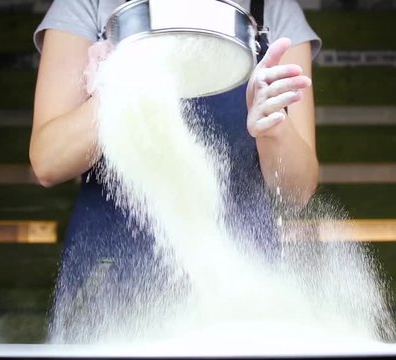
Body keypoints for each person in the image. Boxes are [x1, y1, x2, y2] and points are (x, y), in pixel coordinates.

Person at [30, 0, 322, 343]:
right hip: (111, 286)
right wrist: (116, 89)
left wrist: (274, 128)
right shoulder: (87, 6)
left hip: (241, 294)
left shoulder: (274, 11)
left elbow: (298, 193)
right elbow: (47, 161)